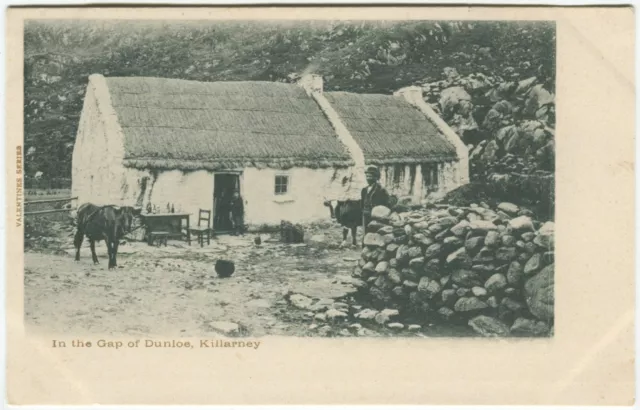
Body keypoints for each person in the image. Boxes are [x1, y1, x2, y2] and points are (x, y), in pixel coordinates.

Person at [361, 165, 391, 231]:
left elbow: (387, 204)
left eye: (370, 176)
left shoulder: (381, 190)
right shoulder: (364, 190)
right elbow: (362, 202)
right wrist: (363, 211)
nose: (368, 178)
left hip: (376, 215)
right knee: (366, 231)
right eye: (367, 176)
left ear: (376, 177)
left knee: (374, 231)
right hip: (366, 214)